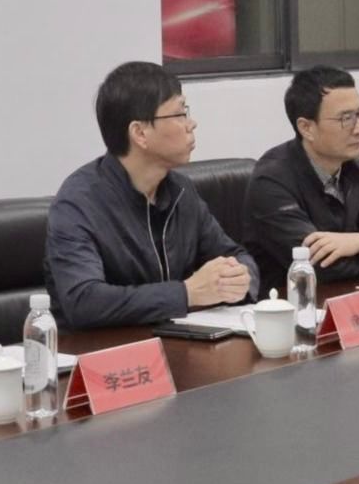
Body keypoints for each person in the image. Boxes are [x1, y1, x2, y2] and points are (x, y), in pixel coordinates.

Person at [48, 61, 259, 329]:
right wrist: (186, 294)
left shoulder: (181, 191)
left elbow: (236, 255)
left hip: (177, 342)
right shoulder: (78, 203)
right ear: (140, 133)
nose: (191, 124)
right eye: (180, 114)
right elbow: (84, 301)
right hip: (104, 351)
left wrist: (238, 278)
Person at [244, 66, 359, 293]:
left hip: (351, 298)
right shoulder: (271, 182)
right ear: (307, 128)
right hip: (292, 306)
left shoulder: (352, 169)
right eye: (346, 118)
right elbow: (319, 268)